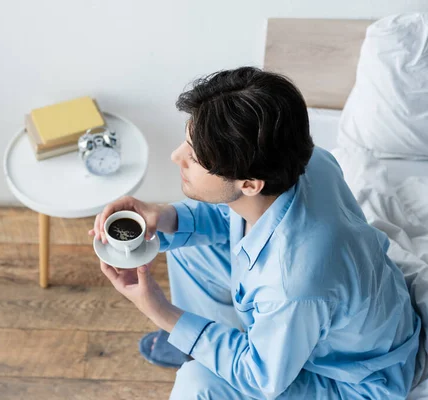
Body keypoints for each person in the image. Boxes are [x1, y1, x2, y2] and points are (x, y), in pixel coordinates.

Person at [88, 67, 420, 399]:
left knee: (197, 385)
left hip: (353, 380)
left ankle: (201, 349)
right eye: (186, 142)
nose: (176, 157)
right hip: (342, 314)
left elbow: (260, 377)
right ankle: (199, 346)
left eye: (195, 157)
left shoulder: (293, 284)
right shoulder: (308, 161)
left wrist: (161, 312)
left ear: (249, 183)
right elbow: (231, 210)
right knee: (185, 241)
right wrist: (164, 216)